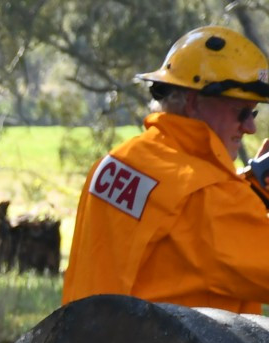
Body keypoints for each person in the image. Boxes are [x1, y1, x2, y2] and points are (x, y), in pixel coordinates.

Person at [63, 25, 269, 312]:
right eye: (242, 112)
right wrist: (242, 199)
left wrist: (253, 191)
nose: (250, 127)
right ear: (194, 103)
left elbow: (178, 236)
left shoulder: (115, 163)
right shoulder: (209, 197)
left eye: (254, 112)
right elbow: (205, 217)